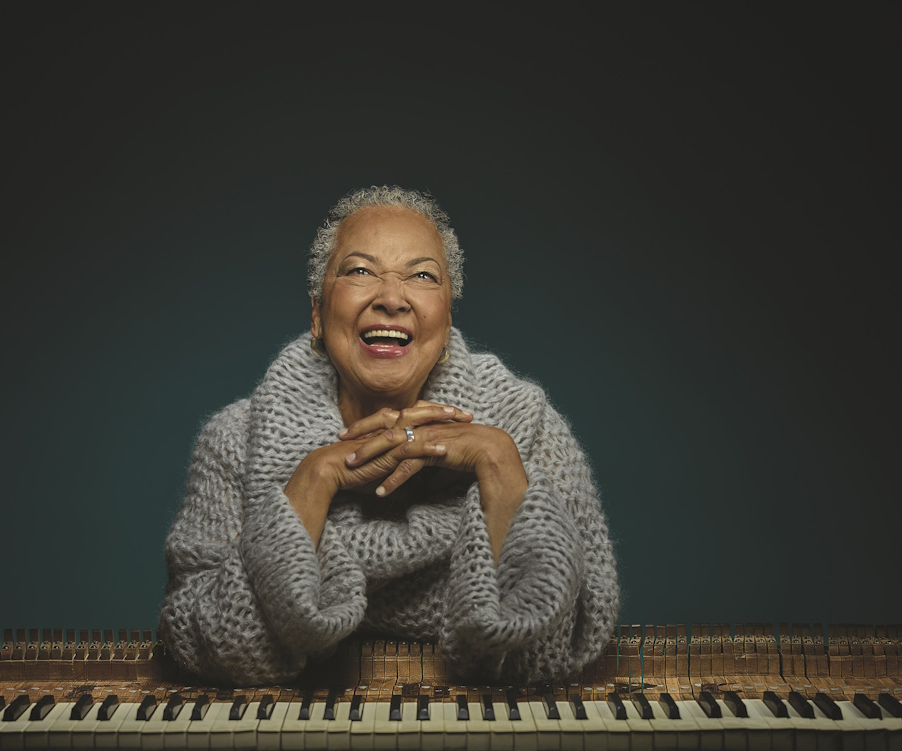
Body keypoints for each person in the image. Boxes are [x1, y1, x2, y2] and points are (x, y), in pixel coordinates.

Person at [158, 186, 619, 685]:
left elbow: (559, 650)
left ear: (445, 322)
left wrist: (499, 463)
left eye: (422, 276)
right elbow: (201, 643)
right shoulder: (236, 440)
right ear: (318, 313)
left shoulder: (528, 428)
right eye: (360, 271)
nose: (392, 299)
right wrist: (314, 478)